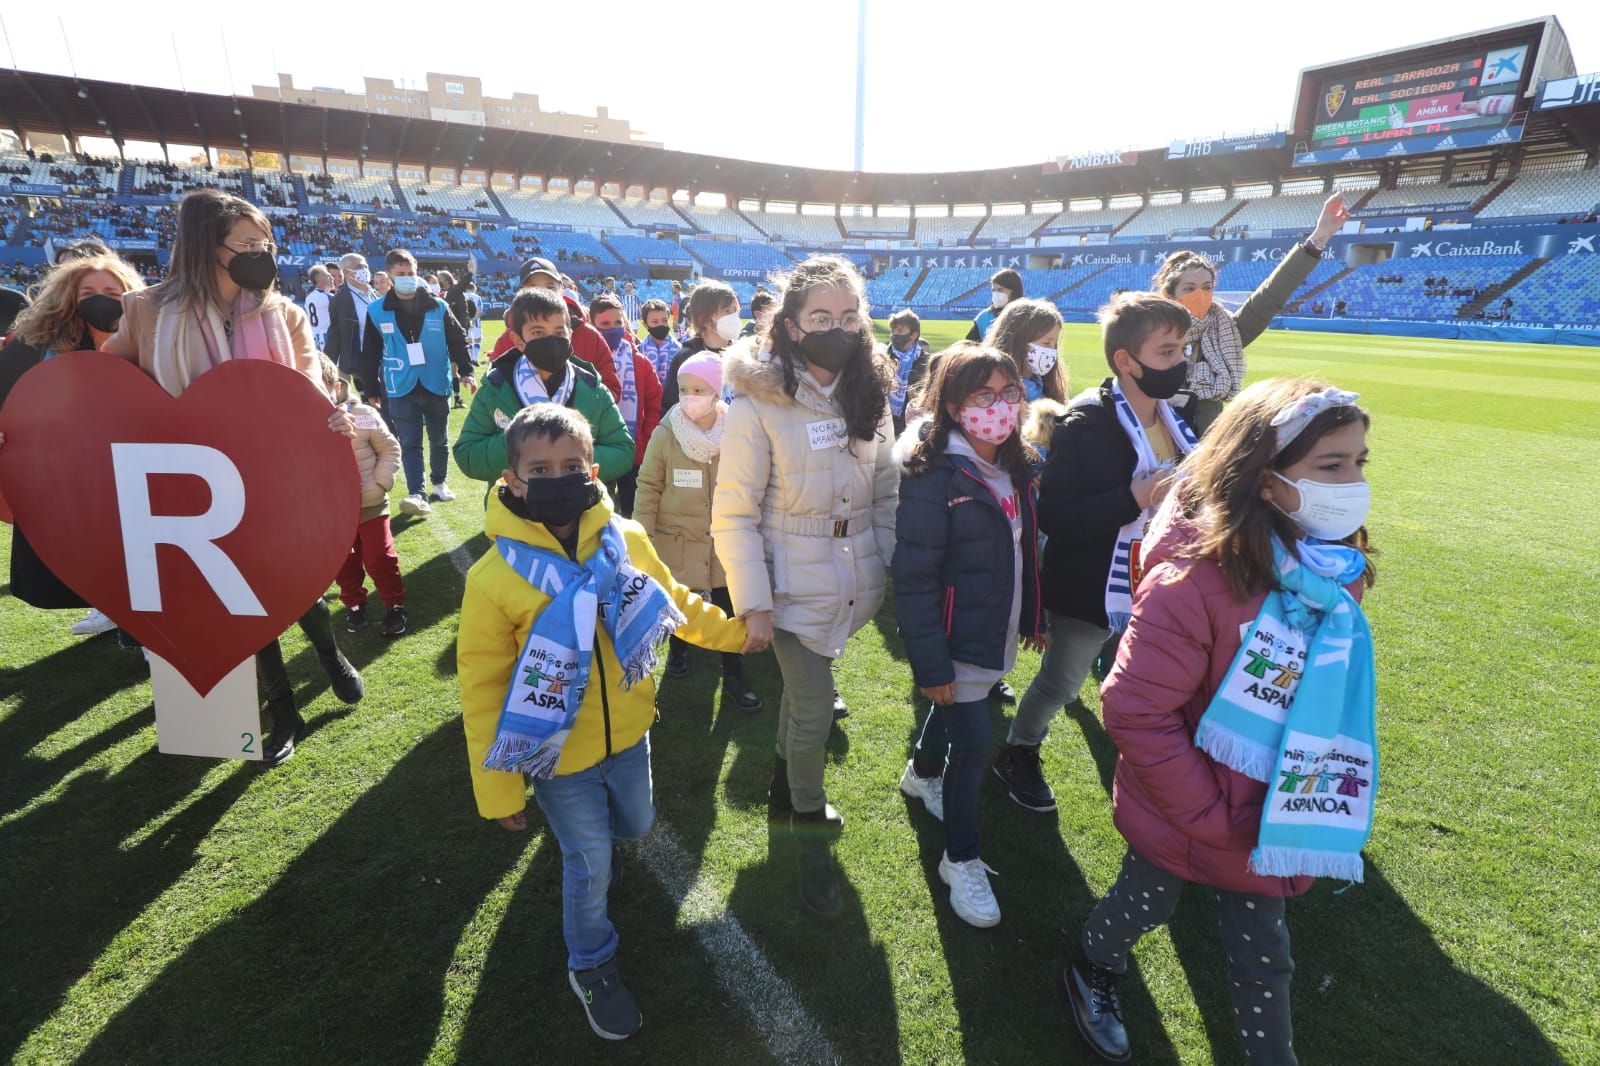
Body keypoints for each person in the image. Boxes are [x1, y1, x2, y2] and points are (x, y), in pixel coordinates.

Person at [1063, 380, 1377, 1066]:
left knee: (1263, 953)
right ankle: (1092, 963)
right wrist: (1204, 814)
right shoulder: (1194, 581)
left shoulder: (1329, 567)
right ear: (1264, 480)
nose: (1353, 482)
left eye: (1360, 462)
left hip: (1269, 807)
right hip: (1188, 808)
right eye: (1332, 466)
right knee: (1143, 902)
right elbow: (1134, 709)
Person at [458, 404, 755, 1041]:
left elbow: (675, 604)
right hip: (558, 757)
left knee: (636, 824)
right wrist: (501, 787)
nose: (558, 477)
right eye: (540, 469)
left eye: (571, 466)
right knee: (588, 862)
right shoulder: (494, 577)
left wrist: (734, 636)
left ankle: (597, 864)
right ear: (512, 482)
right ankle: (591, 962)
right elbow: (482, 691)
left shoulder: (628, 541)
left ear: (593, 470)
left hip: (630, 733)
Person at [99, 188, 363, 766]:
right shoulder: (146, 311)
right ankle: (283, 708)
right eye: (247, 244)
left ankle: (328, 651)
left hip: (273, 478)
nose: (261, 253)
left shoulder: (283, 312)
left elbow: (309, 387)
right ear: (205, 247)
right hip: (195, 489)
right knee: (240, 601)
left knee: (296, 585)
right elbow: (102, 387)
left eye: (265, 242)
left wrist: (332, 414)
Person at [711, 255, 898, 918]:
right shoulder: (757, 402)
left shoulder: (869, 392)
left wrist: (888, 567)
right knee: (815, 708)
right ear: (792, 326)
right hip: (788, 585)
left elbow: (885, 492)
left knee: (801, 701)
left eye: (849, 316)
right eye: (821, 317)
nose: (838, 328)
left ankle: (783, 791)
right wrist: (752, 602)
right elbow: (733, 512)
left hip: (851, 582)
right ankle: (808, 834)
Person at [993, 293, 1198, 813]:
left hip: (1159, 583)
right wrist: (1132, 498)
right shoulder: (1087, 420)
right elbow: (1057, 517)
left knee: (1145, 683)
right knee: (1062, 683)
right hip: (1090, 584)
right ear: (1125, 360)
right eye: (1168, 351)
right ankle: (1020, 747)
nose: (1181, 363)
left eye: (1182, 350)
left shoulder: (1177, 418)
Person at [892, 343, 1045, 928]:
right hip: (957, 641)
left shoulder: (1020, 464)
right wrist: (931, 666)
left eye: (1010, 392)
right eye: (984, 395)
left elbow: (1025, 551)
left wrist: (1035, 617)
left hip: (994, 632)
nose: (1000, 406)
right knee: (977, 746)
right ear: (954, 406)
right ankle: (961, 858)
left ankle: (920, 774)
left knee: (962, 711)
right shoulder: (934, 476)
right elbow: (914, 578)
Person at [0, 250, 143, 635]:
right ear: (68, 298)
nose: (101, 299)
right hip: (67, 470)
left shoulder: (149, 337)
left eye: (112, 290)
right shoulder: (37, 342)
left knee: (141, 547)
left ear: (130, 294)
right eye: (88, 292)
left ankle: (145, 631)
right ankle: (108, 606)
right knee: (89, 543)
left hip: (133, 462)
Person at [1154, 192, 1350, 435]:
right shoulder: (1152, 336)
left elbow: (1270, 297)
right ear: (1171, 295)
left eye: (1207, 287)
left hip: (1205, 451)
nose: (1200, 295)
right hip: (1156, 447)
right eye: (1189, 289)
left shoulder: (1224, 333)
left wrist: (1318, 238)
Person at [635, 352, 761, 711]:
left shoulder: (736, 431)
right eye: (684, 389)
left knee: (728, 607)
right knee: (679, 602)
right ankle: (679, 651)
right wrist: (643, 536)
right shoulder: (666, 433)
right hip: (677, 543)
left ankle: (733, 672)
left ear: (717, 392)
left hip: (724, 543)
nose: (690, 396)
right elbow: (648, 487)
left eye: (699, 389)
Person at [454, 287, 633, 486]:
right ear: (518, 340)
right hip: (515, 513)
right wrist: (523, 443)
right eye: (538, 332)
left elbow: (623, 450)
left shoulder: (593, 389)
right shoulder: (495, 389)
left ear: (570, 334)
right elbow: (467, 455)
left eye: (559, 332)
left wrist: (573, 458)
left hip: (583, 512)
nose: (551, 340)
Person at [358, 248, 475, 516]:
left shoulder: (439, 305)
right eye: (401, 274)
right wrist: (371, 389)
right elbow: (371, 352)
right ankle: (416, 493)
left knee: (439, 440)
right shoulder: (376, 310)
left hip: (436, 382)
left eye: (410, 273)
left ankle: (439, 482)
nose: (407, 278)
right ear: (389, 275)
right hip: (400, 385)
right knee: (410, 443)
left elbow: (457, 340)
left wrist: (466, 370)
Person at [316, 355, 408, 638]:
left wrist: (380, 482)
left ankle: (394, 605)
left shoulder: (362, 413)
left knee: (379, 556)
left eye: (322, 385)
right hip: (332, 512)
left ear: (335, 385)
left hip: (370, 502)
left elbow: (390, 448)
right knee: (343, 563)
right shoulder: (300, 422)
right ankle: (355, 605)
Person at [484, 257, 622, 398]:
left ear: (561, 289)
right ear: (520, 293)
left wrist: (574, 405)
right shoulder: (508, 340)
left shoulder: (590, 336)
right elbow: (491, 396)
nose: (542, 294)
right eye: (532, 288)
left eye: (550, 287)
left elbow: (612, 391)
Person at [589, 293, 662, 517]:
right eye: (605, 324)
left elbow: (654, 401)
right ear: (592, 325)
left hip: (635, 450)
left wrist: (647, 433)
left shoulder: (639, 361)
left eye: (618, 322)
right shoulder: (585, 362)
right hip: (598, 450)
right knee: (601, 511)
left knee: (633, 510)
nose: (613, 328)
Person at [659, 280, 740, 413]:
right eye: (727, 311)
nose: (734, 316)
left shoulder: (744, 356)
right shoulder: (685, 358)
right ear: (705, 318)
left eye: (735, 310)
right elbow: (670, 406)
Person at [989, 298, 1069, 404]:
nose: (1052, 351)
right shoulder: (997, 388)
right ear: (1019, 340)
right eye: (1046, 343)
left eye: (1055, 345)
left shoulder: (1043, 383)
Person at [325, 252, 377, 389]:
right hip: (360, 362)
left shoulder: (374, 294)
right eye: (359, 266)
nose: (364, 270)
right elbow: (335, 335)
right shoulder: (340, 300)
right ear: (347, 271)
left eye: (365, 266)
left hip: (384, 359)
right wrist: (328, 365)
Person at [886, 308, 932, 435]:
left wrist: (919, 395)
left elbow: (931, 394)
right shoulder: (883, 356)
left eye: (900, 330)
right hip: (885, 423)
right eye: (893, 330)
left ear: (913, 335)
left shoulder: (925, 361)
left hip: (910, 426)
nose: (895, 334)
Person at [965, 268, 1022, 342]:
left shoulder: (1029, 317)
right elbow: (969, 347)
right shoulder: (983, 318)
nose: (996, 294)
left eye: (1000, 290)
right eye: (993, 290)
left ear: (1014, 291)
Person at [637, 298, 680, 383]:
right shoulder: (638, 351)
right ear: (645, 324)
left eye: (664, 320)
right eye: (655, 321)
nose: (661, 324)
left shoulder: (680, 351)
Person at [303, 265, 335, 353]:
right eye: (328, 276)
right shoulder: (328, 297)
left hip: (314, 339)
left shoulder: (308, 298)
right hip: (327, 338)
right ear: (319, 278)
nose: (332, 278)